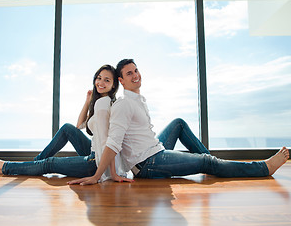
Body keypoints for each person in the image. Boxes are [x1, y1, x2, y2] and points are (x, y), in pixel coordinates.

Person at [68, 59, 290, 185]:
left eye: (136, 70)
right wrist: (97, 176)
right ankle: (262, 168)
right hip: (148, 163)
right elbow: (113, 142)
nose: (136, 75)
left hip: (153, 149)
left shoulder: (137, 99)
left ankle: (213, 163)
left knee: (178, 123)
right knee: (205, 161)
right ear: (121, 80)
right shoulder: (124, 105)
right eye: (129, 73)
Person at [0, 64, 132, 183]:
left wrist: (110, 173)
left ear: (113, 86)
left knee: (50, 163)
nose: (101, 82)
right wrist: (87, 102)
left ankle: (5, 167)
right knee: (67, 128)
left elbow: (108, 141)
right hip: (95, 151)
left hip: (96, 162)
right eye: (99, 78)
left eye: (107, 80)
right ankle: (34, 164)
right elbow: (79, 125)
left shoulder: (103, 104)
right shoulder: (101, 102)